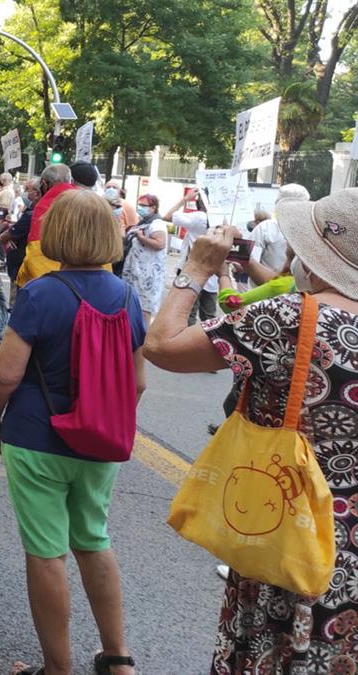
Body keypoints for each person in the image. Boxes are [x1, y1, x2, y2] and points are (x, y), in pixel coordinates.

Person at [142, 188, 358, 671]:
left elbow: (161, 345)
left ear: (318, 256)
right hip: (350, 547)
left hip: (286, 529)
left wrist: (197, 269)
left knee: (275, 650)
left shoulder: (287, 318)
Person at [0, 189, 145, 675]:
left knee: (46, 551)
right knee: (93, 538)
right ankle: (118, 659)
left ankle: (58, 668)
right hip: (99, 443)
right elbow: (137, 383)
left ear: (57, 233)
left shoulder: (40, 293)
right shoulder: (128, 297)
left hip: (37, 439)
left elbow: (4, 375)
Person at [16, 163, 78, 286]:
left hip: (51, 282)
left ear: (44, 184)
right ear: (70, 180)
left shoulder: (45, 206)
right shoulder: (88, 200)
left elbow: (37, 252)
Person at [163, 189, 216, 325]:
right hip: (213, 275)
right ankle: (210, 343)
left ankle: (187, 343)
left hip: (192, 272)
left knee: (188, 313)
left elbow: (168, 216)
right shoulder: (224, 219)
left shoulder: (199, 217)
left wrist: (185, 199)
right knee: (210, 317)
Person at [243, 183, 310, 286]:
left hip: (264, 294)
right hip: (298, 295)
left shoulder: (265, 228)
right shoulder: (312, 231)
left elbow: (249, 263)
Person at [120, 194, 167, 322]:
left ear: (153, 207)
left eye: (144, 205)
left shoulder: (157, 223)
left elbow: (160, 243)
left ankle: (142, 337)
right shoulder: (143, 222)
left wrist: (141, 238)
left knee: (144, 308)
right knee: (134, 305)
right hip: (137, 272)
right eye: (139, 205)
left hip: (147, 275)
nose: (140, 208)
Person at [2, 178, 41, 304]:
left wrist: (7, 235)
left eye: (27, 189)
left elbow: (4, 236)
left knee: (16, 305)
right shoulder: (31, 214)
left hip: (22, 270)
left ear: (37, 193)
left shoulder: (31, 216)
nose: (24, 193)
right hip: (25, 268)